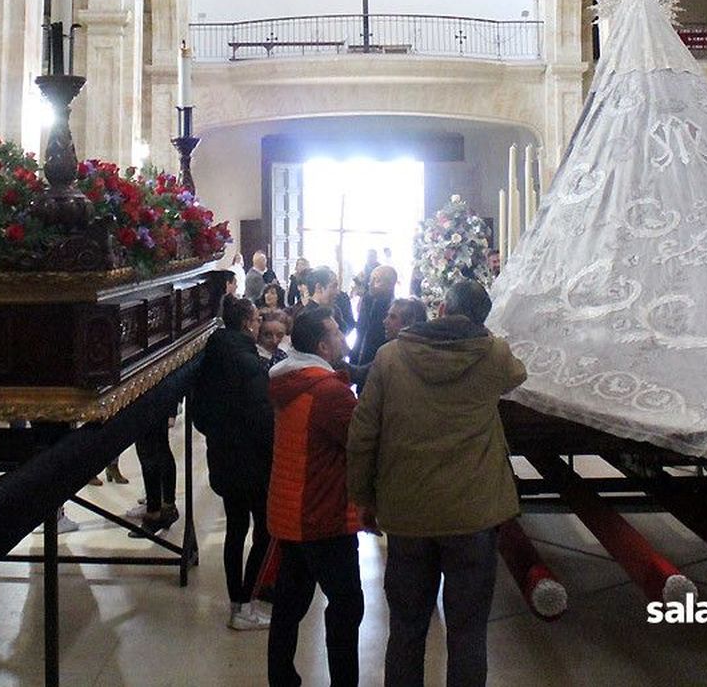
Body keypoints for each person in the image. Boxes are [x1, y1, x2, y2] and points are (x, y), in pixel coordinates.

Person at [347, 280, 526, 687]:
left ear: (442, 308)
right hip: (473, 513)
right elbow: (519, 374)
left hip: (408, 511)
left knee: (407, 628)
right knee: (468, 633)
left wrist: (362, 497)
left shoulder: (390, 357)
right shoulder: (494, 353)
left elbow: (363, 434)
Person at [266, 307, 363, 687]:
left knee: (289, 606)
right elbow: (362, 441)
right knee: (347, 606)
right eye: (337, 331)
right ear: (323, 345)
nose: (342, 336)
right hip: (322, 514)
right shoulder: (328, 392)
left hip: (291, 510)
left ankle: (281, 678)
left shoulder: (292, 380)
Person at [191, 295, 275, 630]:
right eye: (256, 319)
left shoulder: (212, 357)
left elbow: (200, 414)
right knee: (265, 531)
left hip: (223, 457)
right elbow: (262, 418)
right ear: (246, 323)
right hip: (252, 463)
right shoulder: (249, 363)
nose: (259, 324)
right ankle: (246, 602)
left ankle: (235, 603)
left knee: (236, 530)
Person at [350, 266, 398, 367]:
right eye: (371, 279)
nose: (370, 283)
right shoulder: (367, 300)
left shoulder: (394, 310)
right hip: (356, 359)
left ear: (390, 285)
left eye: (376, 280)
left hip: (377, 364)